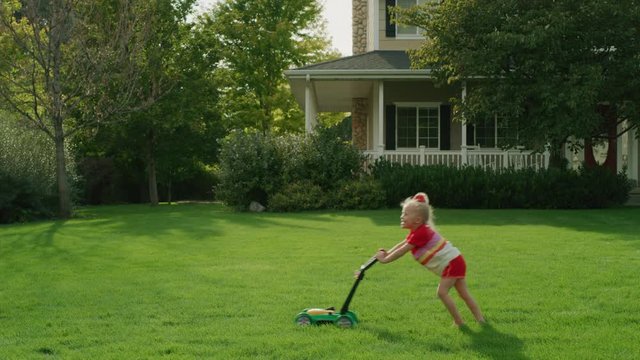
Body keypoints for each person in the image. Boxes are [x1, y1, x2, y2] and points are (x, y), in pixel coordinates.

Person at [371, 192, 485, 327]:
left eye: (406, 214)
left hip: (452, 263)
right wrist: (387, 252)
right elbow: (402, 244)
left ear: (417, 220)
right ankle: (480, 320)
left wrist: (384, 260)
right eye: (403, 213)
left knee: (442, 293)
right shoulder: (417, 231)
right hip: (456, 260)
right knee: (463, 294)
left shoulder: (421, 233)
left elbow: (402, 251)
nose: (402, 216)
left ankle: (459, 322)